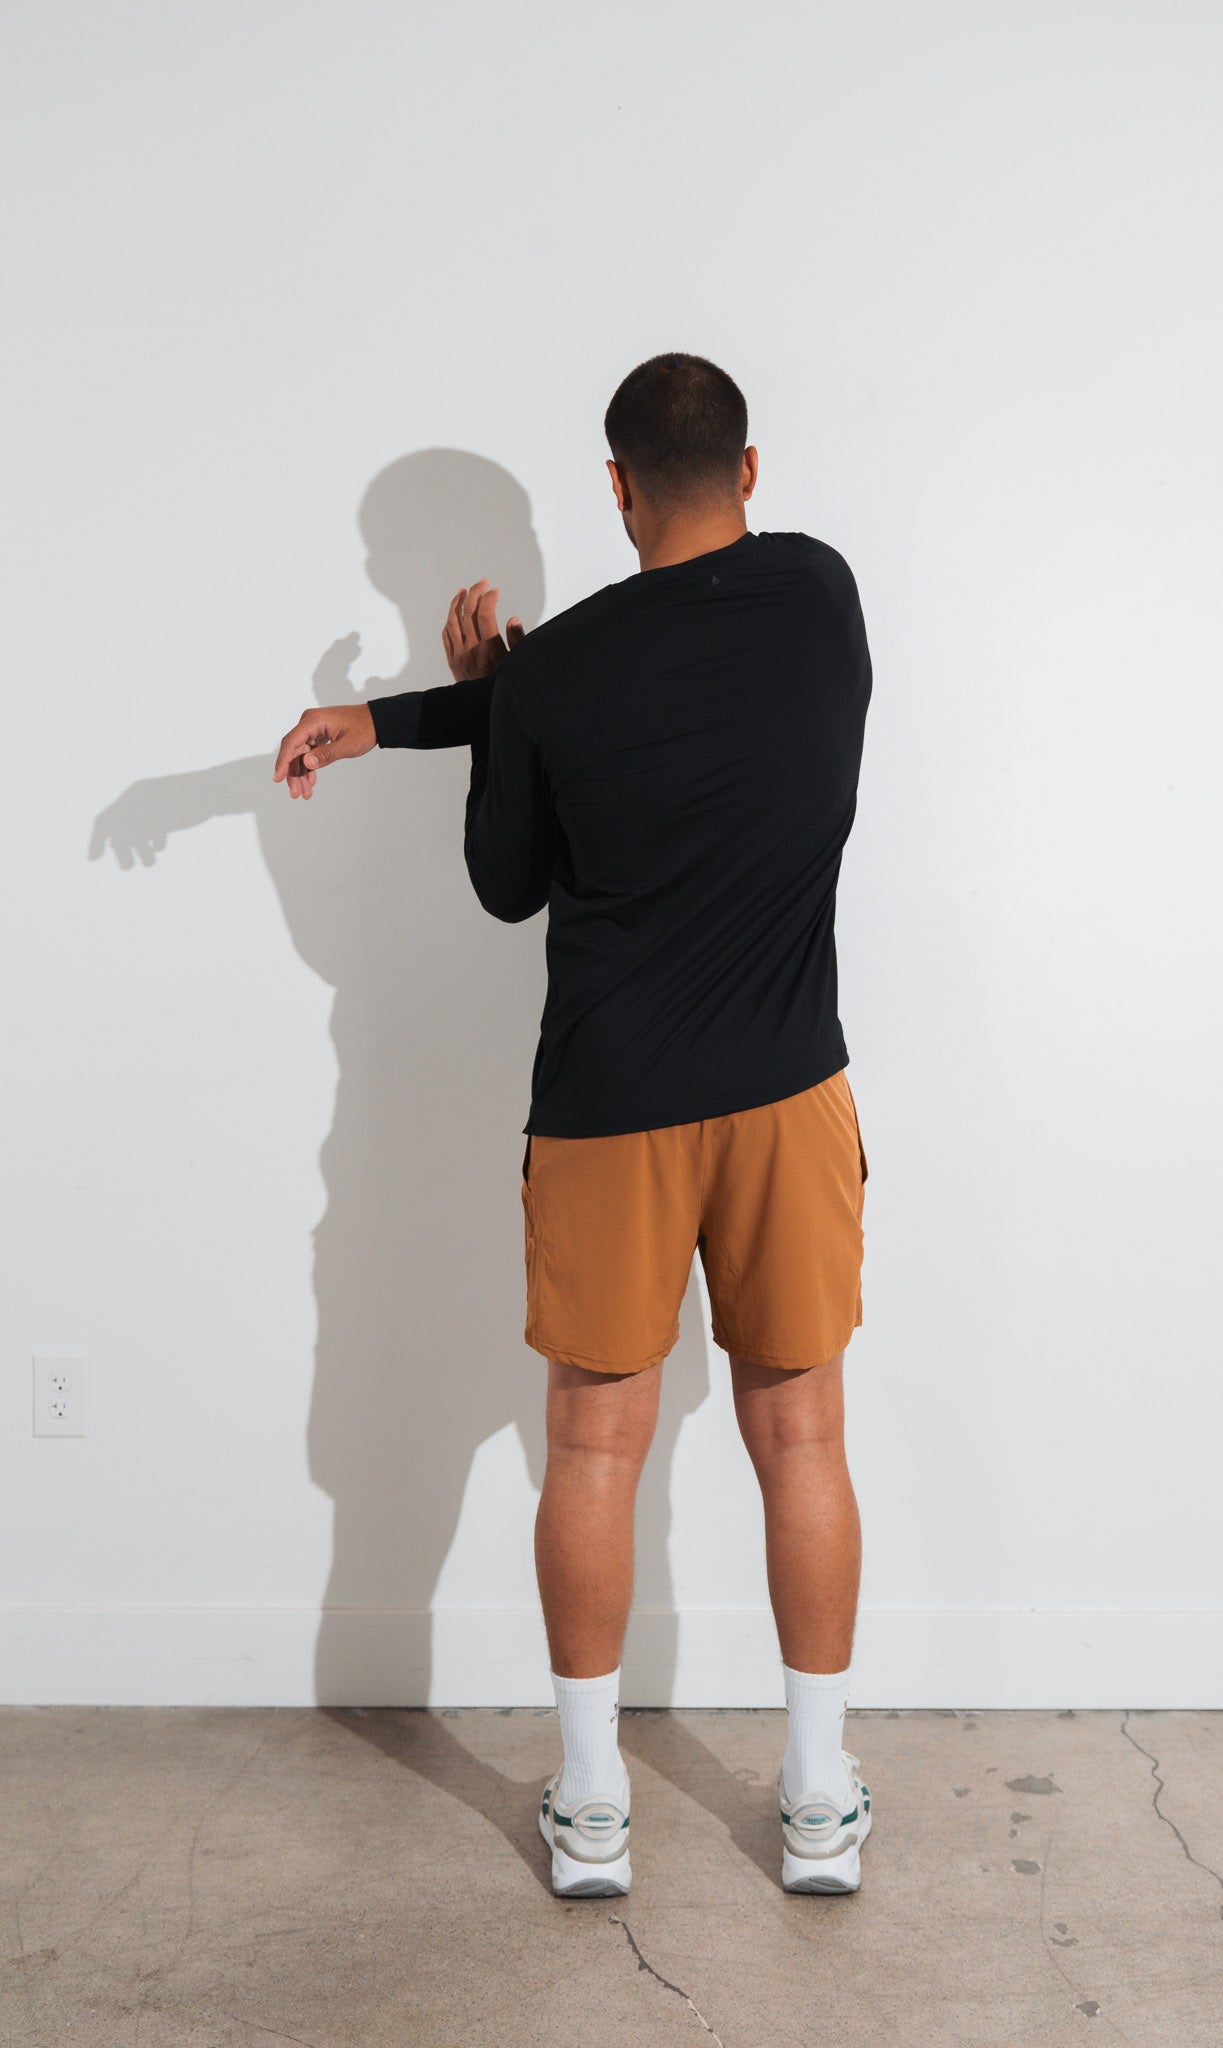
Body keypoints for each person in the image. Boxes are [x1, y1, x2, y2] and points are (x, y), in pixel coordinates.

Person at [273, 351, 875, 1898]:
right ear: (749, 470)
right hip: (786, 1092)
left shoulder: (554, 676)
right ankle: (816, 1800)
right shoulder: (820, 593)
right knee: (802, 1435)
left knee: (593, 1448)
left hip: (610, 1110)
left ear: (613, 488)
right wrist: (410, 714)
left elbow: (507, 882)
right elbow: (665, 685)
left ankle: (592, 1806)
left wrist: (473, 703)